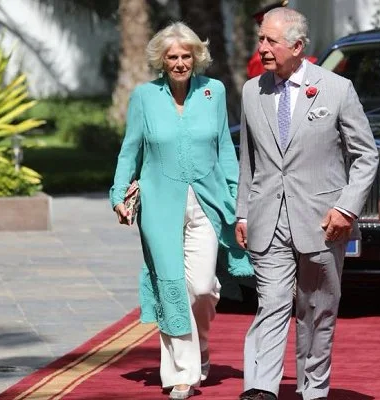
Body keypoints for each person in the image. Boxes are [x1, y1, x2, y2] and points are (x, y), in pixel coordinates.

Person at [235, 7, 379, 400]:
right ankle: (260, 388)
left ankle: (312, 388)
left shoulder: (336, 89)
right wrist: (243, 211)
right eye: (260, 38)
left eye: (270, 41)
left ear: (297, 47)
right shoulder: (252, 91)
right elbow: (249, 159)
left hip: (322, 221)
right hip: (268, 218)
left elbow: (366, 155)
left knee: (316, 310)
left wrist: (347, 208)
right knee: (272, 303)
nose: (261, 47)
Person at [110, 22, 253, 400]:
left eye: (186, 55)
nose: (179, 63)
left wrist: (238, 201)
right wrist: (118, 196)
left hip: (207, 200)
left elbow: (225, 146)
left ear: (196, 57)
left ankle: (199, 346)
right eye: (172, 57)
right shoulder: (144, 97)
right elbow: (130, 150)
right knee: (171, 285)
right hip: (158, 205)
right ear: (162, 60)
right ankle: (181, 374)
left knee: (202, 289)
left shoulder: (214, 92)